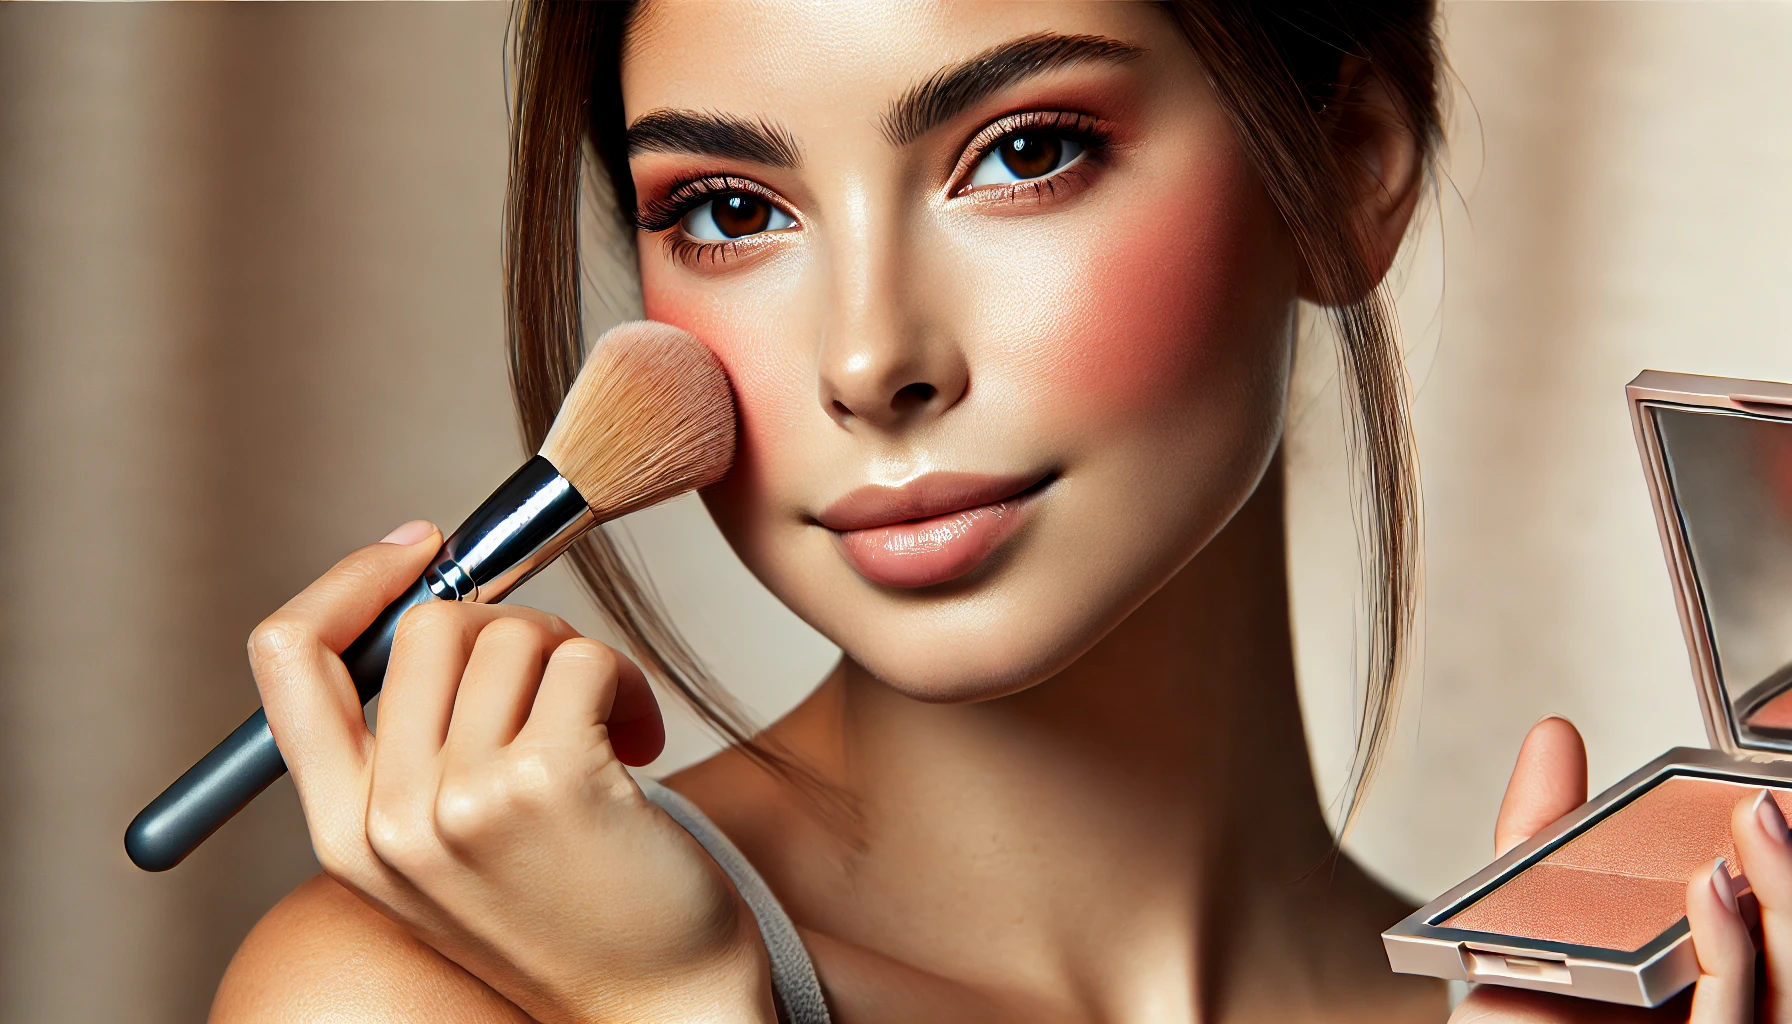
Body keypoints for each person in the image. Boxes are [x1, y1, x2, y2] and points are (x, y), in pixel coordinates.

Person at [209, 3, 1786, 1021]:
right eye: (732, 211)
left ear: (1347, 166)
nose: (871, 355)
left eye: (1023, 153)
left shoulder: (1619, 1001)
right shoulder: (414, 996)